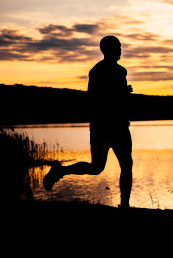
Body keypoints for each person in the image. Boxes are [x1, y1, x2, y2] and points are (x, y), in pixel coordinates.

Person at [43, 35, 133, 210]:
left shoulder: (122, 71)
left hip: (120, 126)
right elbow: (94, 99)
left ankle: (125, 205)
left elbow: (120, 98)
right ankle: (60, 171)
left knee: (127, 165)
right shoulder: (96, 72)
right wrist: (120, 93)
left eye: (121, 47)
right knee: (96, 167)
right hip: (101, 127)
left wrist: (124, 98)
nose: (121, 50)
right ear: (108, 50)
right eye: (118, 47)